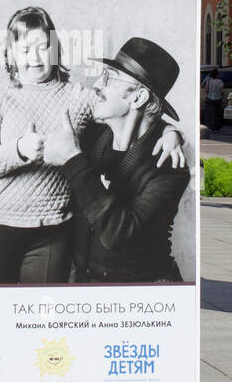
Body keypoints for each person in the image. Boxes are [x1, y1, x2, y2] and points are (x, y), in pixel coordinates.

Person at [0, 6, 187, 286]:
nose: (34, 57)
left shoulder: (79, 99)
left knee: (39, 321)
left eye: (43, 47)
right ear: (10, 52)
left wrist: (171, 131)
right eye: (25, 48)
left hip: (53, 232)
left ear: (55, 49)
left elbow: (134, 114)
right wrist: (18, 150)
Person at [42, 37, 190, 283]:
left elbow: (118, 234)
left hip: (142, 299)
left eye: (109, 77)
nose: (97, 84)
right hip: (86, 290)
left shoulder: (169, 166)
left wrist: (72, 159)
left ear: (138, 97)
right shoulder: (93, 137)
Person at [202, 68, 224, 132]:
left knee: (210, 114)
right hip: (218, 99)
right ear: (217, 74)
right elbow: (222, 91)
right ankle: (216, 126)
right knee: (217, 114)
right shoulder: (220, 81)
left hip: (209, 99)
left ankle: (210, 126)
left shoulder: (209, 81)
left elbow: (206, 90)